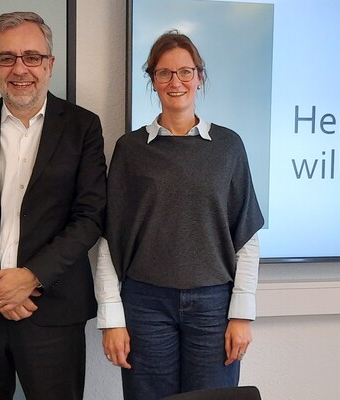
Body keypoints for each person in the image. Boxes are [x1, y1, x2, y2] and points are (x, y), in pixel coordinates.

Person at [0, 11, 107, 400]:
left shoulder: (83, 127)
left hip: (52, 313)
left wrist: (31, 276)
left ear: (50, 63)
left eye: (32, 56)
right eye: (6, 57)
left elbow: (90, 216)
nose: (19, 68)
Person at [94, 30, 264, 400]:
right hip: (145, 304)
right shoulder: (131, 149)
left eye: (186, 72)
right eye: (164, 73)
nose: (176, 82)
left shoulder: (228, 146)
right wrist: (111, 317)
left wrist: (241, 314)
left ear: (199, 77)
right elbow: (110, 238)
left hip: (213, 307)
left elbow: (246, 238)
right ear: (152, 80)